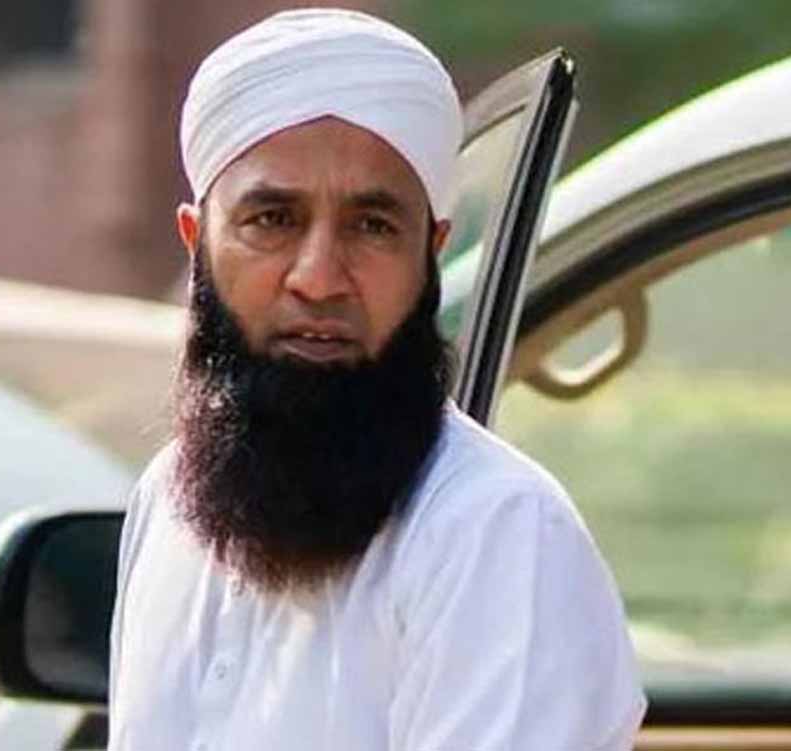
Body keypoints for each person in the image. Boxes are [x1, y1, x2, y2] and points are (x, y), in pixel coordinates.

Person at [108, 8, 646, 750]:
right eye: (272, 219)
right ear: (197, 242)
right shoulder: (165, 500)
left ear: (432, 252)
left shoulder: (496, 532)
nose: (319, 277)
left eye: (372, 226)